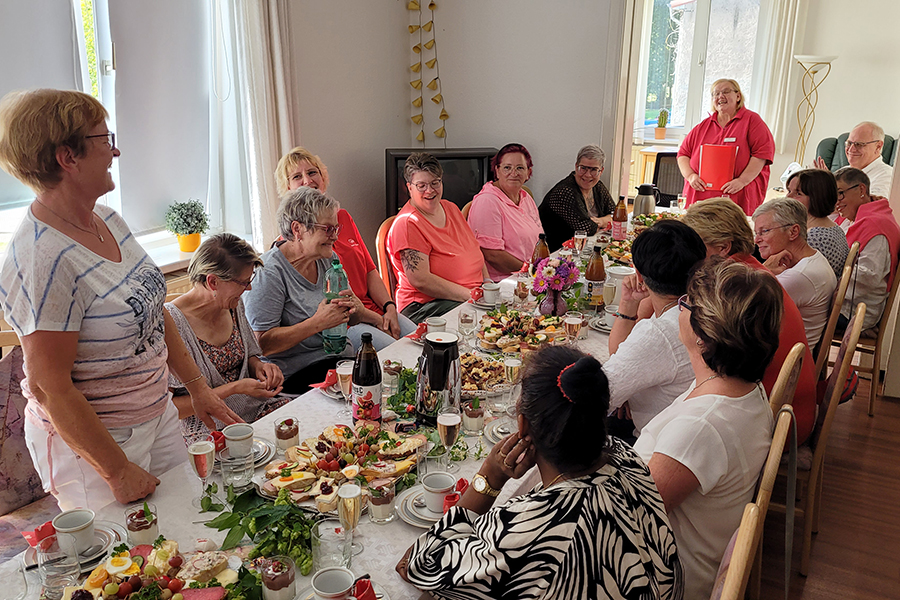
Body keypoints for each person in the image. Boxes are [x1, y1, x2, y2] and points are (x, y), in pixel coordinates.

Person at [0, 89, 239, 511]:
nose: (116, 150)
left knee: (189, 529)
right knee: (129, 565)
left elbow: (152, 311)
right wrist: (116, 470)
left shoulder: (108, 219)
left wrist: (198, 388)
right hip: (95, 446)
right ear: (67, 158)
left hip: (157, 412)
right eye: (103, 139)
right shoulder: (42, 258)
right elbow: (48, 386)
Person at [397, 345, 683, 599]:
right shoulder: (626, 457)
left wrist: (490, 476)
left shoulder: (537, 527)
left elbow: (419, 565)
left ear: (522, 427)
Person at [635, 257, 778, 600]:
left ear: (703, 337)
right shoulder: (743, 385)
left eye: (685, 302)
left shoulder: (701, 427)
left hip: (660, 576)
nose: (678, 308)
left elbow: (629, 516)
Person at [681, 198, 817, 444]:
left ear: (723, 247)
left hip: (776, 422)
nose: (688, 253)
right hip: (790, 408)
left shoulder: (731, 288)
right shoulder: (751, 274)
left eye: (695, 244)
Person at [274, 147, 415, 349]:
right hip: (347, 324)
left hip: (376, 310)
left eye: (312, 172)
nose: (307, 180)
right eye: (297, 176)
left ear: (323, 177)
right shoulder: (298, 242)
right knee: (402, 355)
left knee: (425, 343)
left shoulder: (343, 217)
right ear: (287, 188)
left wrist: (389, 307)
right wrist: (376, 319)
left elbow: (370, 270)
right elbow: (333, 304)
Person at [166, 234, 287, 438]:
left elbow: (250, 356)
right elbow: (174, 409)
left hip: (256, 410)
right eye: (243, 282)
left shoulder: (232, 303)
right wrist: (236, 388)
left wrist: (260, 367)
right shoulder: (171, 324)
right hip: (211, 429)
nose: (248, 288)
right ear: (213, 282)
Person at [243, 186, 361, 394]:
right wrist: (317, 323)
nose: (334, 236)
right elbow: (261, 344)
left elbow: (348, 318)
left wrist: (352, 309)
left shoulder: (328, 259)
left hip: (340, 360)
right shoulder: (269, 272)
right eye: (327, 229)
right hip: (298, 373)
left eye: (336, 228)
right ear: (297, 229)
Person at [604, 220, 707, 440]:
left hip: (658, 443)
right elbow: (621, 359)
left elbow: (599, 395)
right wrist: (628, 304)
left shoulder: (659, 333)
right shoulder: (709, 303)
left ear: (639, 276)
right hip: (694, 432)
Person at [387, 152, 489, 323]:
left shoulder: (451, 208)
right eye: (421, 185)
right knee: (487, 323)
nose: (430, 190)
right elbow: (421, 280)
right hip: (426, 306)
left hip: (468, 295)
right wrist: (472, 296)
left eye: (435, 183)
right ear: (409, 187)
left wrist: (488, 283)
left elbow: (474, 251)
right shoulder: (408, 224)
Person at [677, 78, 775, 216]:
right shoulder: (703, 126)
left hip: (737, 194)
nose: (720, 96)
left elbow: (762, 154)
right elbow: (683, 154)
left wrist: (742, 181)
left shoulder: (752, 121)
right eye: (715, 94)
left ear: (738, 96)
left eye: (725, 91)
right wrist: (691, 176)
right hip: (701, 196)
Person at [753, 198, 837, 348]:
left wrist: (763, 271)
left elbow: (744, 311)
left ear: (793, 232)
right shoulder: (813, 258)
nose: (757, 240)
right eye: (756, 233)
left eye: (764, 231)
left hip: (784, 364)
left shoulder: (799, 276)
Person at [834, 167, 900, 330]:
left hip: (854, 311)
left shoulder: (877, 225)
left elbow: (869, 277)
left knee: (796, 313)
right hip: (845, 303)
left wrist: (828, 270)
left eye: (840, 193)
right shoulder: (859, 218)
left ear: (861, 189)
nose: (836, 202)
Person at [467, 143, 544, 281]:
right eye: (507, 167)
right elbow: (493, 256)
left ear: (528, 172)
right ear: (497, 171)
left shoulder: (525, 196)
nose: (513, 173)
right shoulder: (487, 201)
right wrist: (532, 272)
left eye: (520, 168)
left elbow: (539, 239)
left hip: (530, 275)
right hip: (504, 282)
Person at [539, 144, 616, 251]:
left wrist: (601, 221)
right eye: (583, 168)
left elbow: (617, 215)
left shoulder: (597, 186)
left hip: (585, 248)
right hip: (557, 252)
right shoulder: (565, 192)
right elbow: (587, 229)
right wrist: (606, 220)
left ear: (601, 171)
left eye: (593, 170)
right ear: (576, 167)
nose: (588, 175)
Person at [786, 168, 849, 277]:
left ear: (817, 197)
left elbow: (790, 277)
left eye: (798, 193)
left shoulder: (815, 238)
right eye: (789, 191)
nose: (788, 197)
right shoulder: (831, 227)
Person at [816, 121, 894, 197]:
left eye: (859, 144)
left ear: (878, 146)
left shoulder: (887, 176)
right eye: (849, 143)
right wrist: (826, 185)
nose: (851, 149)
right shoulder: (843, 172)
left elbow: (871, 207)